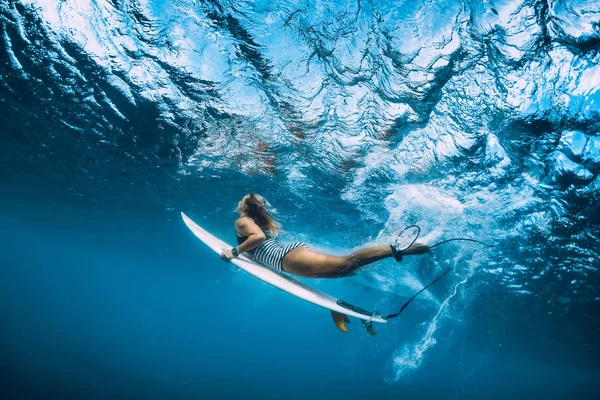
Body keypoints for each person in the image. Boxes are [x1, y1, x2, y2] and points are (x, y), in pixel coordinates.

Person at [220, 193, 431, 278]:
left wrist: (234, 252)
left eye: (241, 200)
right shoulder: (255, 221)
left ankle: (399, 248)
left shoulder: (243, 220)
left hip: (287, 258)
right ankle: (393, 247)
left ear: (245, 206)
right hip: (288, 254)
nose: (238, 203)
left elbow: (257, 239)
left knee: (347, 264)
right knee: (345, 269)